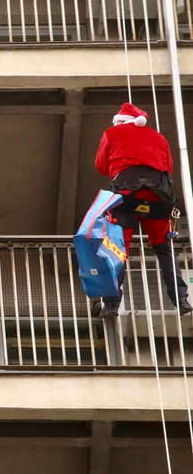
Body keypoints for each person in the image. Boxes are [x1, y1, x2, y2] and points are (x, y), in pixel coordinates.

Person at [94, 103, 192, 318]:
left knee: (118, 249)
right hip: (158, 198)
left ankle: (111, 304)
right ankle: (181, 299)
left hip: (127, 197)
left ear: (119, 121)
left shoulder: (112, 133)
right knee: (164, 248)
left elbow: (101, 166)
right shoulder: (159, 138)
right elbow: (168, 169)